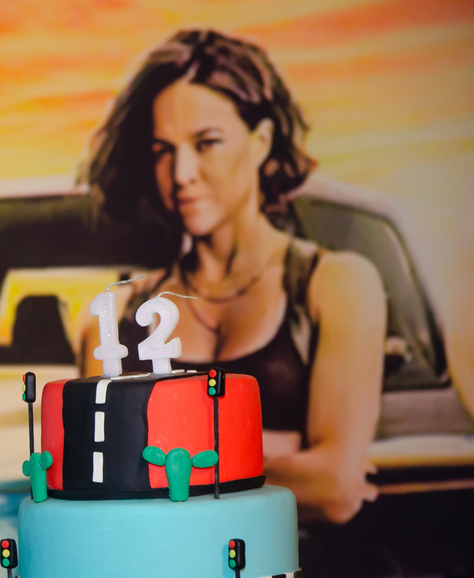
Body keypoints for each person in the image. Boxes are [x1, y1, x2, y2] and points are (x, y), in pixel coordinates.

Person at [80, 30, 386, 525]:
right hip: (158, 573)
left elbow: (333, 487)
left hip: (290, 571)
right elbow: (96, 484)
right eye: (162, 150)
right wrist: (275, 452)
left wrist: (157, 458)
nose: (182, 173)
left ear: (261, 141)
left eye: (207, 143)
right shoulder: (114, 318)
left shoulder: (334, 286)